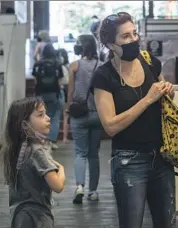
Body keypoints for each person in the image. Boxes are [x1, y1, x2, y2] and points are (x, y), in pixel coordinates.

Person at [92, 12, 175, 228]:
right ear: (111, 44)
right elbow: (110, 126)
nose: (133, 40)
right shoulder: (104, 76)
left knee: (167, 222)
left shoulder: (151, 63)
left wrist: (167, 91)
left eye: (135, 34)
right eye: (125, 37)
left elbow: (164, 96)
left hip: (162, 156)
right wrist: (148, 99)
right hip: (129, 160)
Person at [0, 97, 66, 228]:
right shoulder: (37, 151)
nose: (48, 118)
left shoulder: (16, 148)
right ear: (25, 124)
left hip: (19, 216)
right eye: (41, 115)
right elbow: (58, 186)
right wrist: (61, 169)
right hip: (37, 217)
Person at [67, 34, 102, 204]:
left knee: (80, 153)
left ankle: (80, 187)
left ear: (82, 47)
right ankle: (93, 191)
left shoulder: (74, 66)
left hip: (79, 114)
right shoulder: (102, 66)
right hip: (97, 114)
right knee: (94, 155)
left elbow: (71, 92)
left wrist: (69, 109)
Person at [32, 44, 64, 150]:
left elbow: (35, 80)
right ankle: (51, 141)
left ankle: (42, 140)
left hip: (40, 94)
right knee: (54, 117)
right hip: (54, 93)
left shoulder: (37, 64)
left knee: (41, 116)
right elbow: (60, 81)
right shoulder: (57, 64)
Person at [56, 48, 70, 143]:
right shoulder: (69, 67)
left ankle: (54, 138)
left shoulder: (56, 67)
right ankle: (65, 137)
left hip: (58, 91)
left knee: (57, 116)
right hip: (66, 92)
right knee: (66, 116)